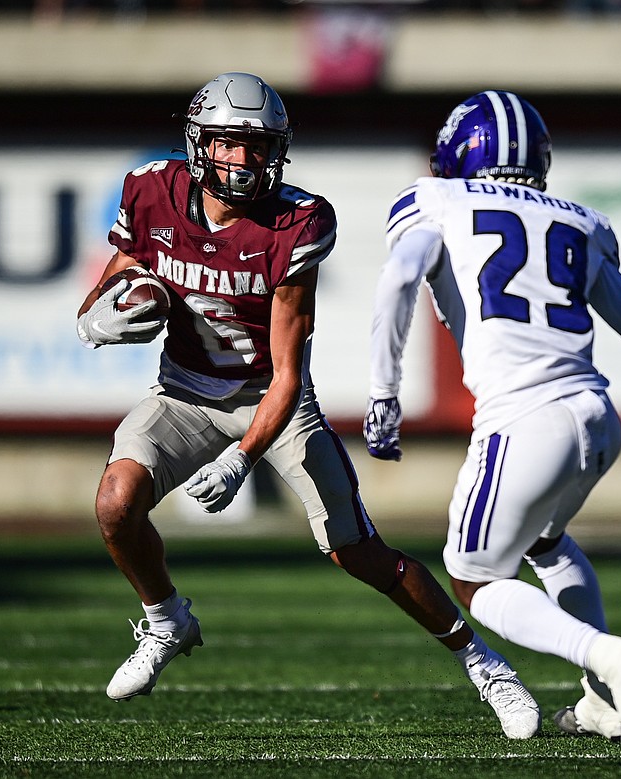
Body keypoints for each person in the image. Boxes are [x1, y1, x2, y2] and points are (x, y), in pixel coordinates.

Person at [75, 72, 540, 740]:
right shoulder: (151, 189)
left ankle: (485, 664)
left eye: (258, 147)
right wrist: (94, 315)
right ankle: (167, 619)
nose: (244, 160)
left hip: (271, 398)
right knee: (116, 503)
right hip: (182, 389)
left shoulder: (297, 221)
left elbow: (290, 373)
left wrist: (241, 459)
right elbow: (120, 272)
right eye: (231, 144)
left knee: (358, 551)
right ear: (199, 142)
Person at [362, 89, 621, 769]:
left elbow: (397, 279)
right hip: (597, 417)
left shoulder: (438, 201)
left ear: (459, 153)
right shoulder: (581, 223)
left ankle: (614, 658)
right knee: (546, 541)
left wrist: (383, 393)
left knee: (472, 580)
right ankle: (599, 701)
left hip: (525, 419)